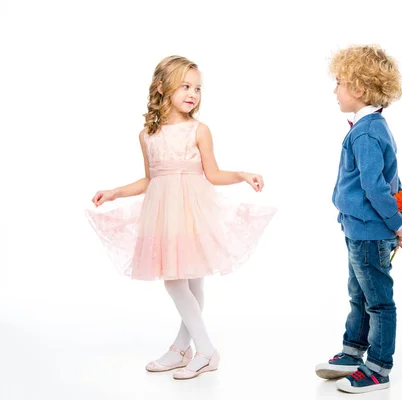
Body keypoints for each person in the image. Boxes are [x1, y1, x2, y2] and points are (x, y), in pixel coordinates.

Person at [86, 55, 276, 380]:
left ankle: (205, 351)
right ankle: (181, 348)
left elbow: (213, 174)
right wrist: (116, 192)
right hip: (162, 214)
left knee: (185, 280)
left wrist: (242, 174)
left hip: (192, 212)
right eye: (185, 86)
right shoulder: (147, 135)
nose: (192, 93)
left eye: (197, 88)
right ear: (162, 88)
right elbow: (150, 179)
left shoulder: (199, 130)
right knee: (179, 279)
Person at [314, 45, 402, 394]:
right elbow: (390, 181)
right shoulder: (369, 128)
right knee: (359, 293)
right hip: (361, 230)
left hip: (370, 233)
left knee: (378, 300)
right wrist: (398, 216)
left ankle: (379, 368)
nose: (334, 90)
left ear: (358, 87)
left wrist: (397, 222)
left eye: (339, 82)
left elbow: (375, 187)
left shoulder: (368, 132)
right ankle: (355, 351)